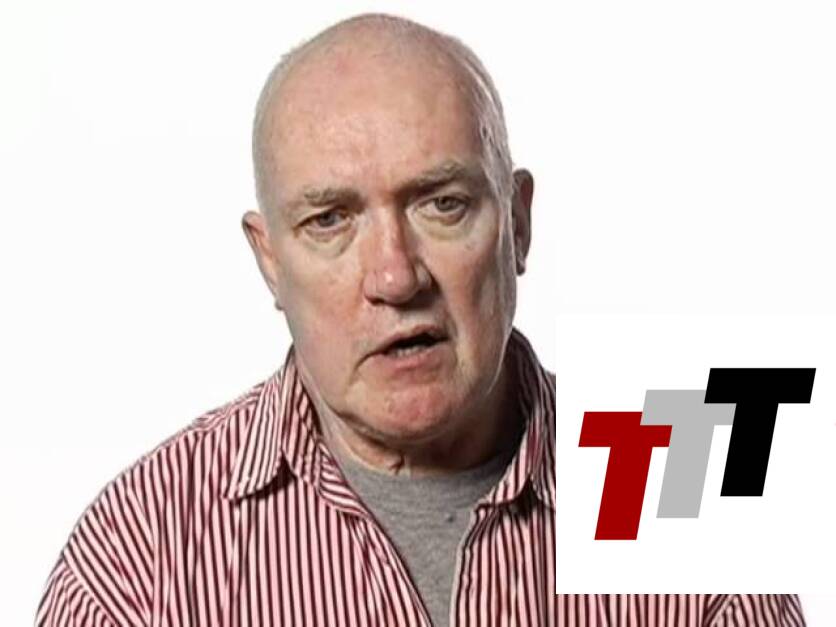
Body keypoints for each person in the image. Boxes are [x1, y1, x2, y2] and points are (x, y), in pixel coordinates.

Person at [36, 13, 804, 627]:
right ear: (270, 261)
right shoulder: (143, 552)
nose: (396, 276)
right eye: (330, 220)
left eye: (443, 204)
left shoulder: (686, 471)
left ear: (518, 223)